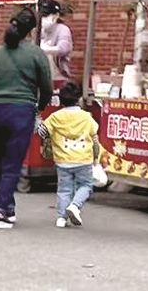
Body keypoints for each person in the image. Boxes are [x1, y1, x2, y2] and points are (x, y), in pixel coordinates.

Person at [0, 7, 53, 230]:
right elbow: (47, 88)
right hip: (21, 111)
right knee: (13, 163)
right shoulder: (36, 54)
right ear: (31, 31)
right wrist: (39, 108)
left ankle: (8, 206)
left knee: (0, 162)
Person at [42, 81, 105, 229]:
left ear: (61, 101)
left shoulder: (55, 117)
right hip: (83, 160)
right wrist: (96, 158)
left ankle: (61, 218)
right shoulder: (86, 117)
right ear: (79, 99)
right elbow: (95, 140)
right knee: (86, 186)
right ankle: (75, 206)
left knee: (64, 190)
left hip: (62, 160)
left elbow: (42, 132)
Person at [37, 0, 74, 84]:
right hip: (40, 79)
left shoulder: (63, 30)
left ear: (56, 15)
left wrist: (44, 49)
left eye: (46, 15)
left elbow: (63, 49)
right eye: (42, 15)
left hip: (58, 79)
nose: (43, 18)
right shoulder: (38, 31)